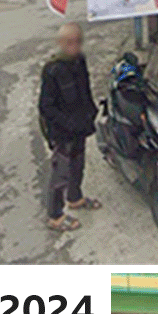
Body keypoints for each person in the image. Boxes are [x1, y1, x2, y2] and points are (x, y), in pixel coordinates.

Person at [38, 22, 101, 234]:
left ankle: (74, 197)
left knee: (78, 164)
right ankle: (54, 215)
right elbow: (45, 107)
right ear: (60, 44)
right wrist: (68, 123)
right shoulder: (52, 70)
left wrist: (91, 111)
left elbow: (85, 88)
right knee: (61, 172)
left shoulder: (79, 61)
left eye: (77, 41)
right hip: (62, 131)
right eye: (69, 42)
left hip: (80, 127)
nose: (74, 46)